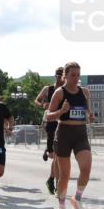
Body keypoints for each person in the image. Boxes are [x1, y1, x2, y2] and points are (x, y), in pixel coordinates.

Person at [46, 62, 95, 209]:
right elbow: (48, 116)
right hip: (64, 134)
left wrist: (91, 116)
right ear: (65, 76)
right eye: (73, 75)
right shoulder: (60, 93)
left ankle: (77, 198)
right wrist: (61, 111)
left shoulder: (85, 92)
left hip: (80, 134)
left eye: (78, 75)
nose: (76, 78)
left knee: (86, 169)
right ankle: (61, 208)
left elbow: (87, 111)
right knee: (65, 175)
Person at [35, 67, 65, 195]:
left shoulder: (67, 90)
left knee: (58, 157)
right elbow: (36, 100)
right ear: (55, 76)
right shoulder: (48, 89)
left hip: (64, 123)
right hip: (51, 123)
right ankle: (53, 179)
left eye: (62, 75)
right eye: (58, 75)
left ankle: (53, 180)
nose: (59, 77)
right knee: (56, 157)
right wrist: (43, 105)